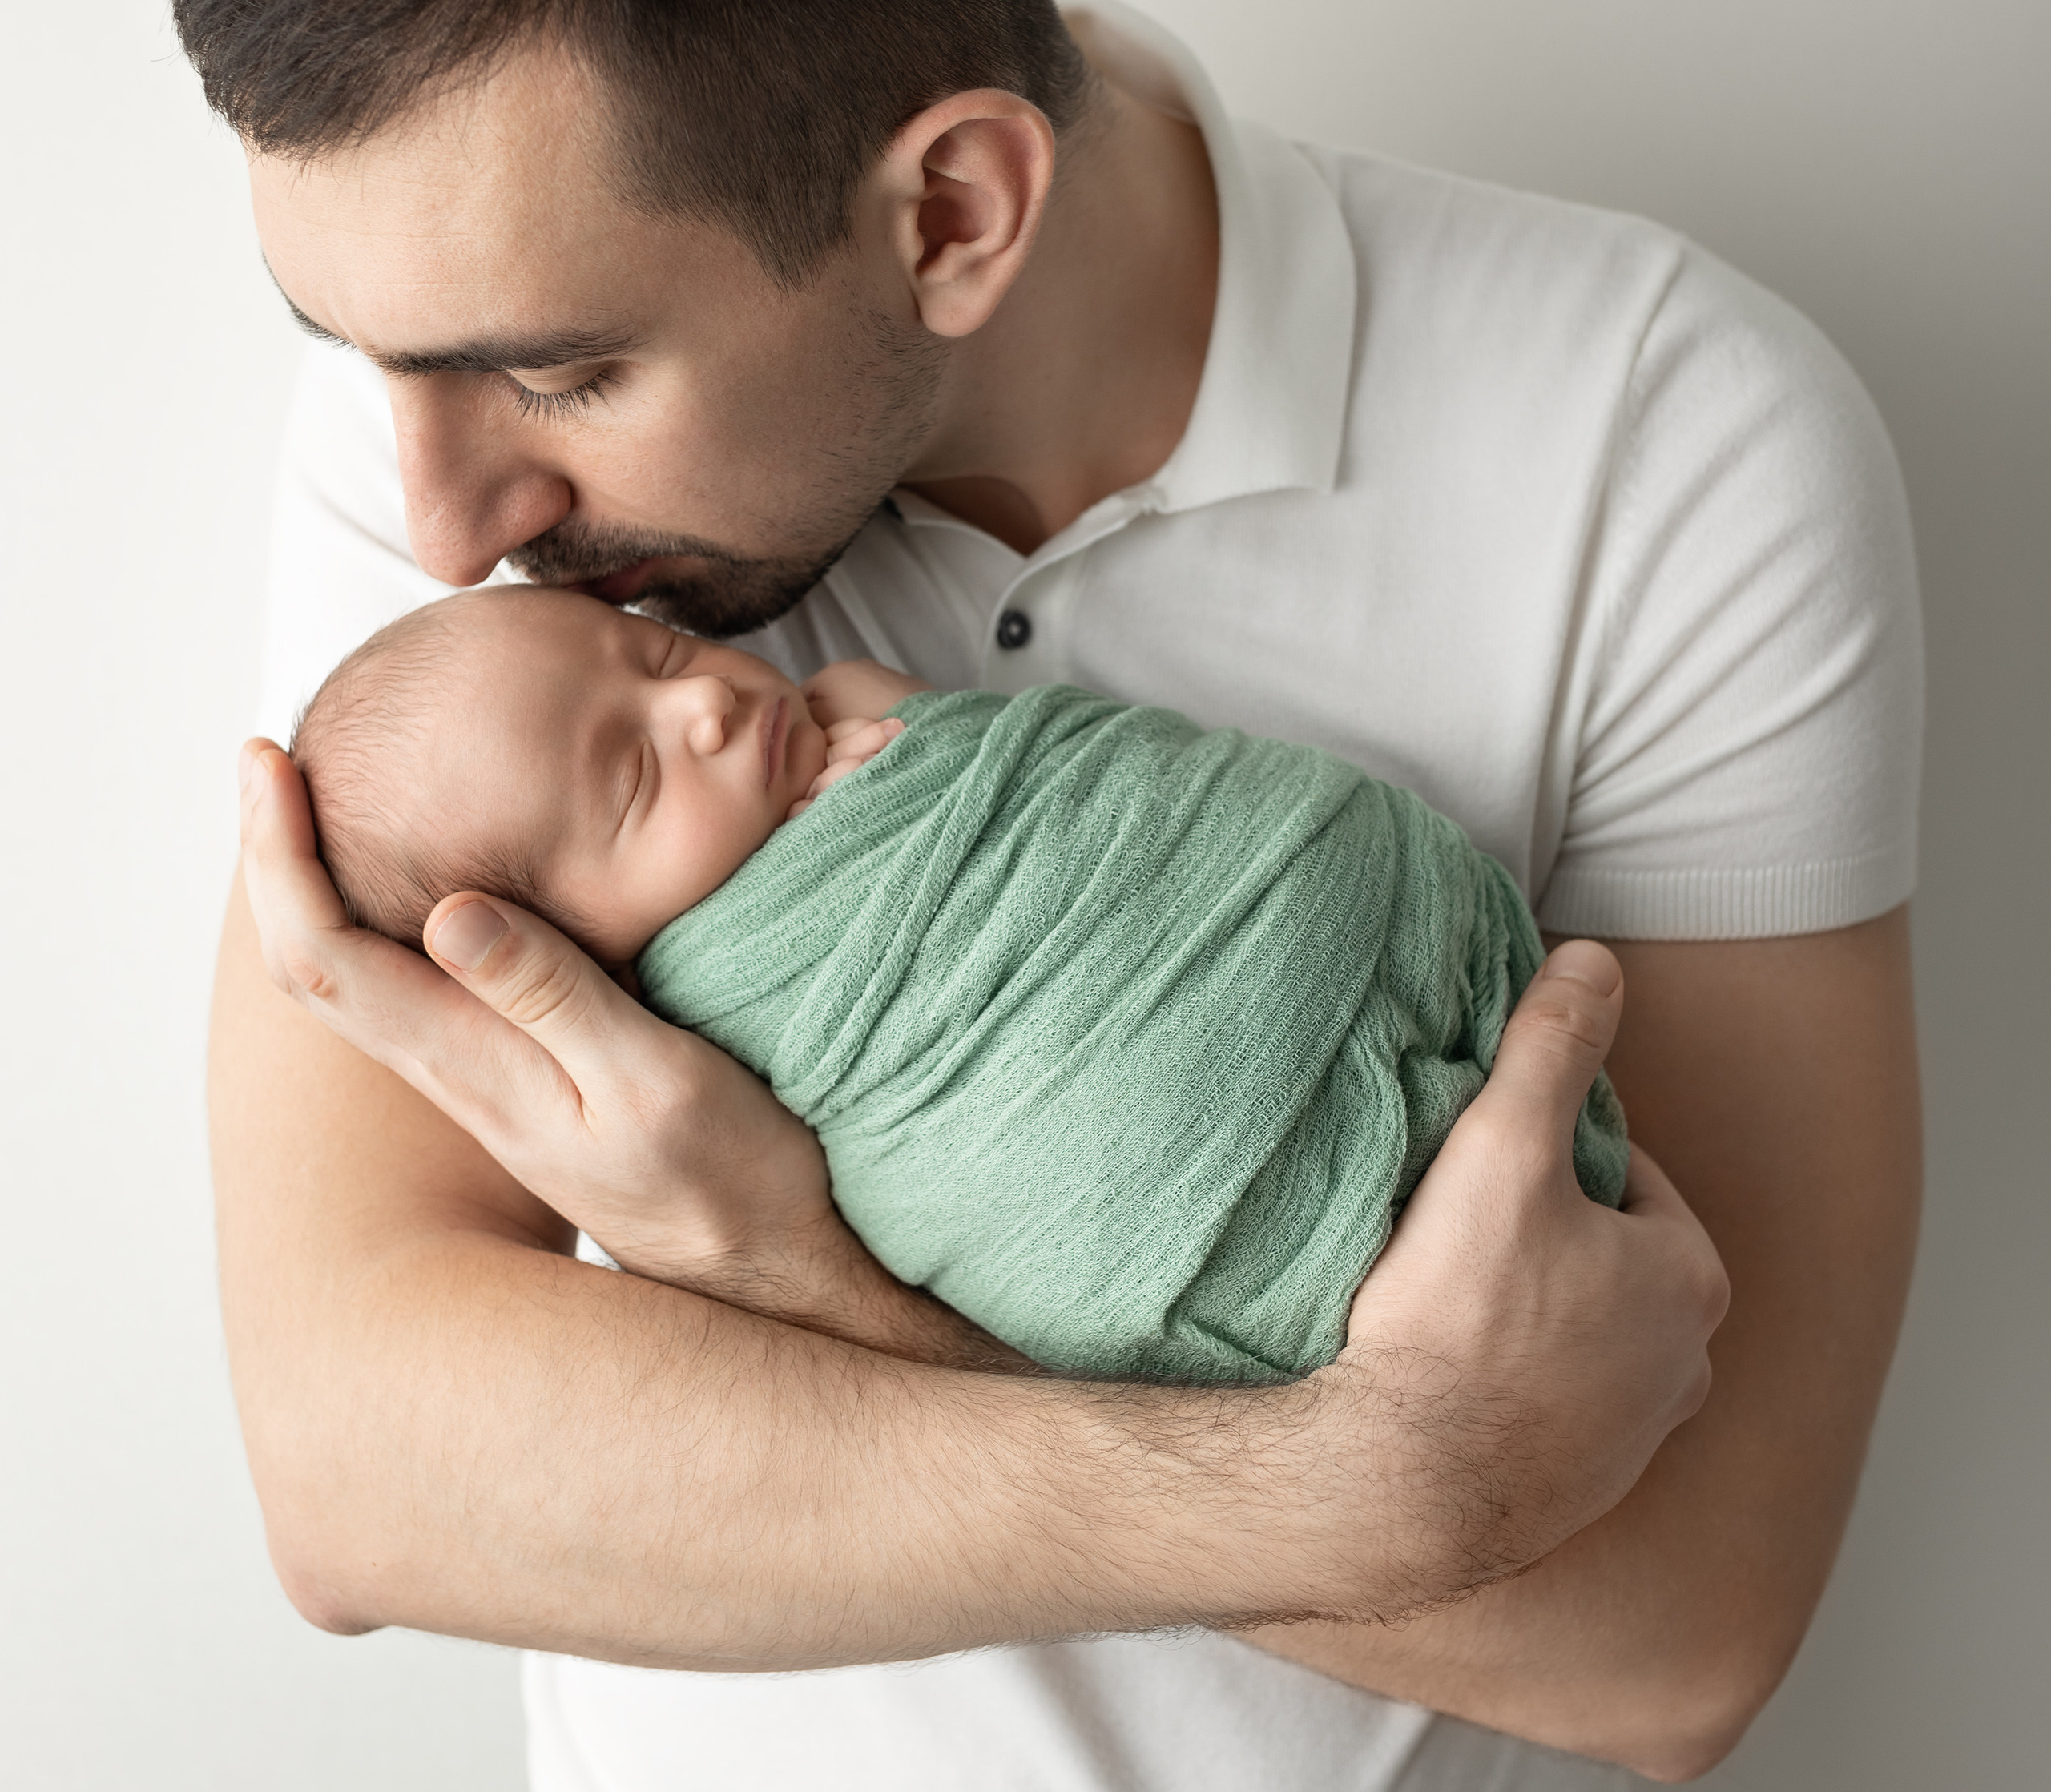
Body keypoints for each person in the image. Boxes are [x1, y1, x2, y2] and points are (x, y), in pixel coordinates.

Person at [183, 0, 1921, 1792]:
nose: (439, 502)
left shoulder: (1665, 441)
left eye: (553, 374)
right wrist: (1388, 1480)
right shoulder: (463, 506)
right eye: (362, 362)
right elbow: (361, 1464)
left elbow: (1680, 1628)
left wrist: (801, 1284)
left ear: (954, 206)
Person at [287, 586, 1628, 1383]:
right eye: (634, 780)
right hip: (1215, 1219)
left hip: (1376, 920)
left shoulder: (850, 705)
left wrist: (924, 743)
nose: (697, 708)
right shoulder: (697, 1029)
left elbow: (1062, 792)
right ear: (574, 963)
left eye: (653, 653)